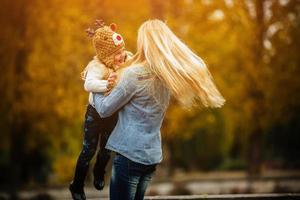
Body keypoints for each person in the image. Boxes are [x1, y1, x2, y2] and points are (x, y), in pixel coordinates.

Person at [93, 19, 225, 200]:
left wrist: (95, 87)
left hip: (129, 155)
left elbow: (104, 110)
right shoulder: (166, 74)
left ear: (144, 42)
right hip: (150, 156)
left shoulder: (134, 75)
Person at [69, 20, 131, 200]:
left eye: (122, 51)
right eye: (117, 53)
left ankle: (99, 173)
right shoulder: (96, 67)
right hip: (95, 114)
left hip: (111, 114)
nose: (122, 56)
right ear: (106, 55)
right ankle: (77, 186)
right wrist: (107, 84)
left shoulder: (125, 59)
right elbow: (88, 84)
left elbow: (135, 60)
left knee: (106, 149)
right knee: (88, 150)